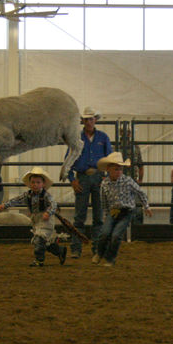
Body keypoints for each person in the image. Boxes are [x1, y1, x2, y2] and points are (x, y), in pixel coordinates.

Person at [66, 106, 112, 259]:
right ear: (83, 121)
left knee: (98, 216)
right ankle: (76, 249)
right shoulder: (76, 138)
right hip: (83, 178)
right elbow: (68, 161)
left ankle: (95, 249)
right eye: (86, 119)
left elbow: (110, 160)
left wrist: (106, 177)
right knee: (80, 216)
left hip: (98, 178)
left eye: (91, 118)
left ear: (95, 120)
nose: (89, 121)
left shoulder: (103, 137)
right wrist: (72, 180)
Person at [0, 167, 67, 267]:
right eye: (33, 182)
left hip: (46, 220)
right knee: (42, 242)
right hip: (36, 220)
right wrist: (5, 205)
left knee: (39, 239)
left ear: (43, 184)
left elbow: (53, 204)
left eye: (38, 182)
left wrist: (48, 212)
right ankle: (59, 251)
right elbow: (17, 200)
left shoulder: (46, 195)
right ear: (30, 184)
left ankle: (39, 260)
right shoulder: (28, 195)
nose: (35, 185)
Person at [94, 152, 152, 266]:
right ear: (108, 169)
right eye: (116, 169)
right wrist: (106, 214)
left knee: (116, 235)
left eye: (120, 169)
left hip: (127, 212)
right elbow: (104, 201)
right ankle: (99, 253)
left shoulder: (128, 181)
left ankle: (110, 258)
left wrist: (146, 206)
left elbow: (141, 193)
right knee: (105, 233)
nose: (119, 172)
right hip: (113, 211)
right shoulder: (105, 184)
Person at [119, 128, 145, 226]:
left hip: (133, 180)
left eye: (128, 132)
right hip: (120, 181)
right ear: (120, 133)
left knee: (137, 208)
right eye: (124, 132)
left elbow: (140, 165)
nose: (126, 134)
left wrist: (140, 180)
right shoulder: (115, 146)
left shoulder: (135, 147)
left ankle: (137, 230)